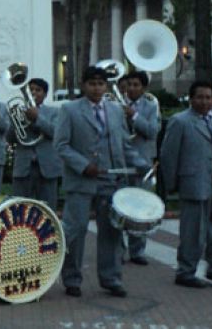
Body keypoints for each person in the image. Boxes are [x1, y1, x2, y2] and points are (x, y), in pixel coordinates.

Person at [55, 66, 149, 298]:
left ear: (106, 86)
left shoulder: (116, 110)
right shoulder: (69, 109)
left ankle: (111, 278)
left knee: (112, 232)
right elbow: (61, 145)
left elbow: (124, 144)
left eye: (101, 84)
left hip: (111, 180)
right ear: (83, 85)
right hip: (81, 181)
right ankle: (72, 279)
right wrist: (83, 165)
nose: (97, 88)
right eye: (92, 83)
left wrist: (139, 163)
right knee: (75, 231)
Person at [161, 81, 212, 288]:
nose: (204, 101)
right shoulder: (180, 121)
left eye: (208, 97)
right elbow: (169, 155)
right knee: (193, 231)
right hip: (193, 182)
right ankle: (185, 271)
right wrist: (172, 183)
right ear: (191, 99)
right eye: (200, 97)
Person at [123, 71, 161, 265]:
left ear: (143, 88)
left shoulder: (151, 106)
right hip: (121, 161)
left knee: (140, 207)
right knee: (119, 206)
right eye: (129, 84)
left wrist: (134, 116)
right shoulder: (116, 104)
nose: (131, 88)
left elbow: (152, 131)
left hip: (143, 161)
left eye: (136, 85)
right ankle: (119, 250)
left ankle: (137, 251)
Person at [10, 77, 62, 208]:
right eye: (31, 89)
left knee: (48, 209)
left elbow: (56, 133)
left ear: (45, 94)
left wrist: (37, 118)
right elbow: (9, 138)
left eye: (38, 90)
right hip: (23, 167)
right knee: (20, 209)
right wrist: (14, 121)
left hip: (47, 167)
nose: (33, 92)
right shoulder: (20, 111)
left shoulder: (54, 112)